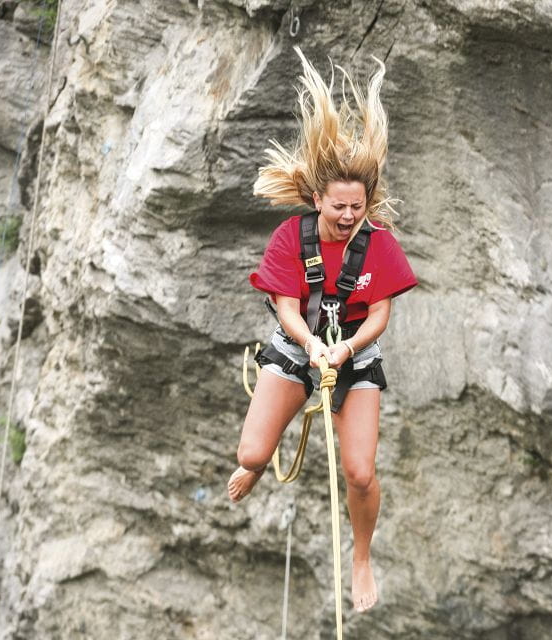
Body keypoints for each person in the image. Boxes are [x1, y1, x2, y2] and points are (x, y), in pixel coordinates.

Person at [227, 47, 417, 614]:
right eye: (339, 206)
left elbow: (379, 314)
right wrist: (312, 346)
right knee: (252, 453)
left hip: (354, 354)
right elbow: (287, 308)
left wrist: (346, 349)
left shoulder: (377, 242)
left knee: (359, 472)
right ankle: (258, 466)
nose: (348, 216)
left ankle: (361, 557)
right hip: (298, 345)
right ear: (317, 200)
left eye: (357, 207)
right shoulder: (293, 237)